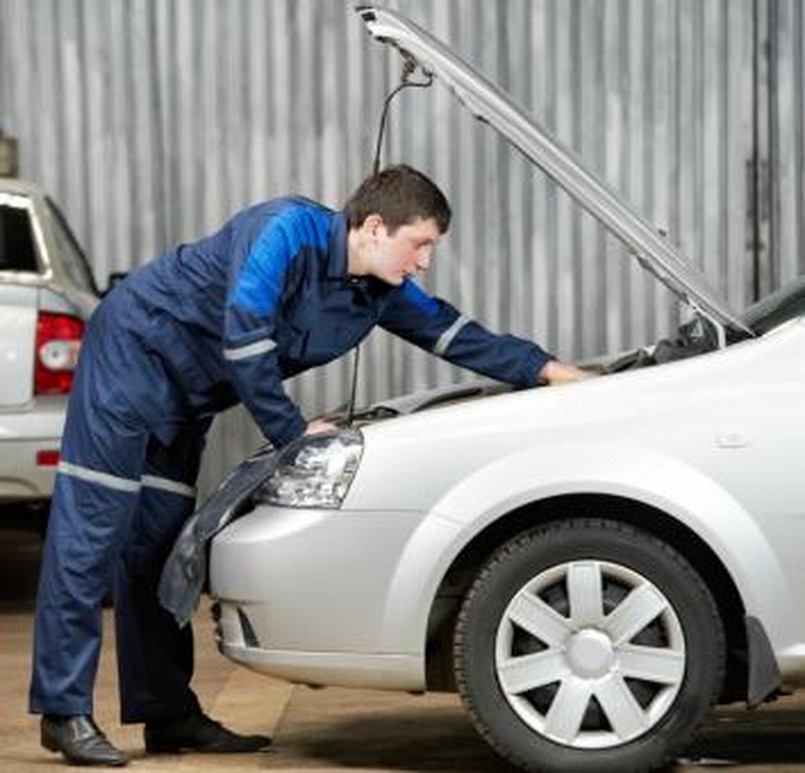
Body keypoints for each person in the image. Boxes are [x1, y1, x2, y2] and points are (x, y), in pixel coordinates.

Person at [29, 164, 588, 767]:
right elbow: (244, 335)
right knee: (90, 535)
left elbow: (454, 333)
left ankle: (167, 713)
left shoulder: (377, 290)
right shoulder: (284, 230)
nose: (424, 261)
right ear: (374, 227)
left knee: (158, 549)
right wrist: (293, 432)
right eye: (419, 243)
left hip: (189, 397)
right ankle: (63, 712)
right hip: (132, 359)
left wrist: (548, 369)